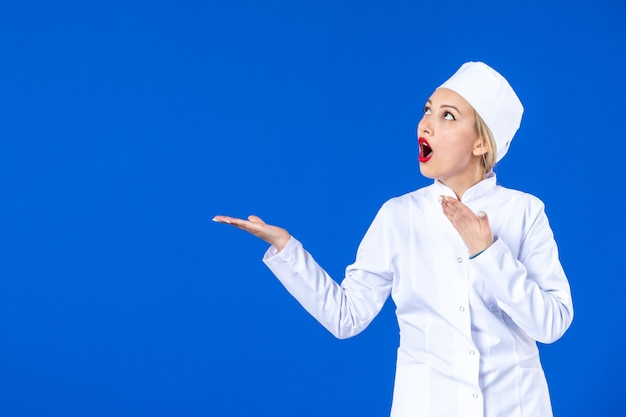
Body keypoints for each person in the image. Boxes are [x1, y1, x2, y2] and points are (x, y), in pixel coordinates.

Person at [213, 61, 573, 417]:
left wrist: (487, 253)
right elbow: (346, 316)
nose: (426, 123)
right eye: (427, 110)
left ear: (481, 142)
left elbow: (552, 324)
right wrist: (286, 249)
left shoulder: (525, 212)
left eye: (447, 116)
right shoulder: (398, 216)